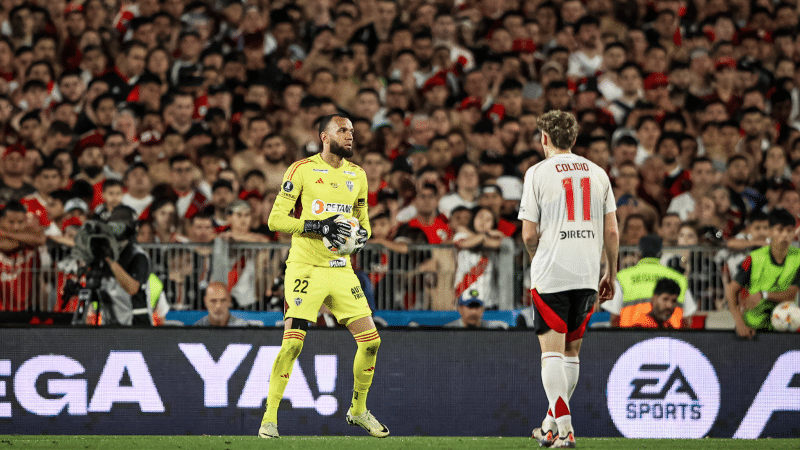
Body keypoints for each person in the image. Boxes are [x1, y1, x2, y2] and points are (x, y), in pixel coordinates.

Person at [259, 114, 387, 439]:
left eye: (352, 132)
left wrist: (361, 237)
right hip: (306, 268)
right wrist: (319, 226)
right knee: (292, 347)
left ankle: (358, 410)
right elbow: (276, 220)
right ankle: (269, 419)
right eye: (342, 130)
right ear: (324, 136)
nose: (350, 136)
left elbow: (364, 221)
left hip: (341, 270)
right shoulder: (301, 169)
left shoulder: (357, 175)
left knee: (371, 343)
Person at [519, 110, 619, 449]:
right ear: (574, 140)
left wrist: (537, 259)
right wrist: (611, 271)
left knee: (551, 352)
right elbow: (612, 230)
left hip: (552, 271)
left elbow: (529, 233)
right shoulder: (598, 173)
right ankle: (549, 425)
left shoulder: (537, 173)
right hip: (588, 272)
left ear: (544, 138)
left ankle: (565, 428)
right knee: (572, 352)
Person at [726, 208, 800, 339]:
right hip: (752, 329)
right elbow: (731, 290)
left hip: (783, 328)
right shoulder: (755, 258)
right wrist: (739, 322)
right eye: (780, 230)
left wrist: (763, 295)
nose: (785, 235)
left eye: (789, 231)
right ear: (770, 232)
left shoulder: (798, 259)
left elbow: (791, 293)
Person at [604, 235, 695, 328]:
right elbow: (687, 320)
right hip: (669, 338)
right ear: (661, 253)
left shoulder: (622, 277)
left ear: (639, 253)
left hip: (632, 339)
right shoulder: (680, 279)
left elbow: (614, 317)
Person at [444, 289, 508, 329]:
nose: (474, 312)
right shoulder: (449, 330)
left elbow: (504, 326)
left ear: (482, 309)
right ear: (460, 309)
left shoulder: (491, 328)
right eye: (470, 307)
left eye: (477, 307)